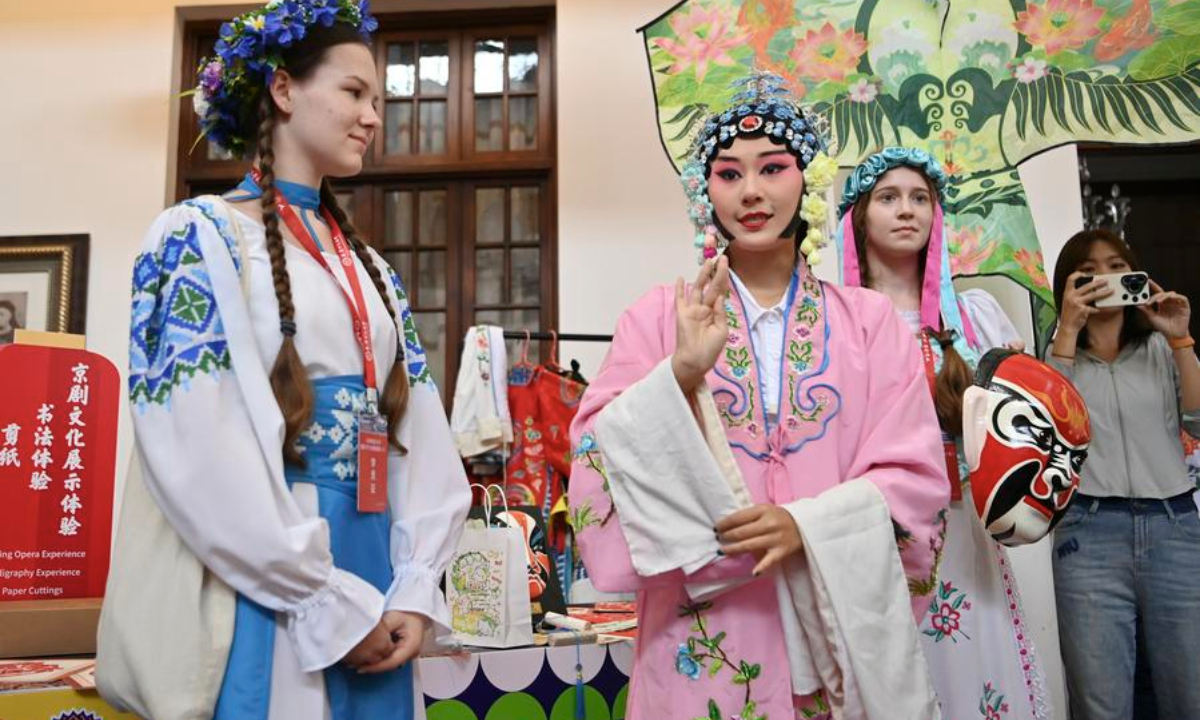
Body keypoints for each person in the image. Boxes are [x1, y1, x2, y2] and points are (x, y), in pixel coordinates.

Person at [97, 3, 470, 719]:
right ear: (283, 89)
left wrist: (416, 591)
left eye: (377, 100)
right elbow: (195, 442)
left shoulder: (372, 270)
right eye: (355, 92)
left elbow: (421, 438)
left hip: (376, 577)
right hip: (272, 584)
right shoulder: (198, 237)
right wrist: (321, 598)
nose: (372, 116)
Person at [567, 74, 948, 720]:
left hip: (830, 631)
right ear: (703, 191)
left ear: (807, 181)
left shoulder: (869, 324)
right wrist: (680, 374)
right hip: (701, 634)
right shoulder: (657, 319)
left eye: (772, 168)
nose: (750, 192)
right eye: (727, 173)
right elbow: (593, 463)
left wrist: (806, 525)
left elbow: (915, 478)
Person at [835, 147, 1052, 718]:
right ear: (858, 216)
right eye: (888, 198)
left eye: (920, 199)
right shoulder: (830, 319)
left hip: (962, 532)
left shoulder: (975, 317)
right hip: (869, 536)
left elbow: (1019, 439)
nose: (906, 210)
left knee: (969, 679)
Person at [1045, 228, 1200, 720]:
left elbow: (1198, 422)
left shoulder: (1160, 348)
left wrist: (1179, 338)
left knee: (1190, 693)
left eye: (1117, 267)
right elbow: (1050, 436)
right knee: (1100, 703)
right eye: (1088, 273)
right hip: (1088, 535)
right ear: (1068, 286)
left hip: (1174, 526)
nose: (1106, 280)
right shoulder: (1052, 358)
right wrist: (1066, 332)